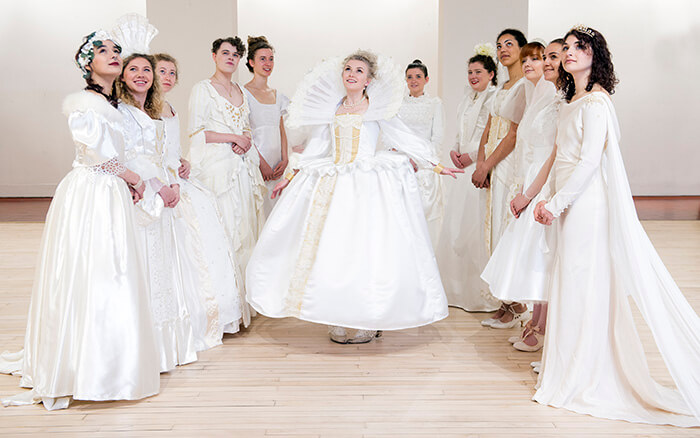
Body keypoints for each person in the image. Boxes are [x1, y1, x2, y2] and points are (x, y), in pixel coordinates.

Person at [532, 26, 700, 426]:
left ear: (596, 56)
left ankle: (582, 373)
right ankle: (571, 366)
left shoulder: (597, 104)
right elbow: (563, 156)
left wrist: (555, 204)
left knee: (581, 283)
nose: (569, 53)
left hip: (586, 206)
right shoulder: (574, 101)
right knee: (572, 283)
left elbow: (590, 163)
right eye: (566, 48)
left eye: (579, 47)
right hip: (569, 202)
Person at [246, 51, 461, 344]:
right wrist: (291, 177)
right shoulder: (332, 110)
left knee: (366, 249)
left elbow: (404, 138)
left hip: (367, 184)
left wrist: (433, 164)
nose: (351, 74)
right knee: (336, 250)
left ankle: (367, 319)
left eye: (359, 70)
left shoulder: (378, 109)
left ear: (368, 80)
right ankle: (338, 314)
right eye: (348, 68)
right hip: (336, 183)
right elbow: (316, 149)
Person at [0, 31, 159, 409]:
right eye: (103, 51)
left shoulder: (113, 104)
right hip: (91, 192)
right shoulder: (85, 104)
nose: (113, 55)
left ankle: (107, 363)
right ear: (88, 63)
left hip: (110, 191)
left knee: (111, 274)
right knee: (91, 271)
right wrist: (135, 179)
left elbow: (119, 153)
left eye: (116, 50)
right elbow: (96, 155)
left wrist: (130, 180)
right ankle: (82, 365)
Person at [155, 52, 250, 345]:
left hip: (176, 173)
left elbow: (168, 146)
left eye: (172, 73)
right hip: (159, 179)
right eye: (162, 72)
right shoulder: (141, 110)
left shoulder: (169, 107)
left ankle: (211, 309)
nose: (168, 78)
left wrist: (180, 160)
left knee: (209, 230)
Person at [116, 41, 198, 372]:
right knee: (141, 262)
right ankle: (139, 341)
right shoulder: (120, 112)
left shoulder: (152, 113)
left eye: (146, 69)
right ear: (122, 75)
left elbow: (162, 153)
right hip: (142, 194)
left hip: (162, 189)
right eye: (133, 69)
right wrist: (158, 187)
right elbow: (129, 157)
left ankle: (164, 343)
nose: (141, 74)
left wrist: (174, 181)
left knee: (161, 264)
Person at [481, 40, 562, 353]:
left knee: (540, 252)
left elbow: (553, 149)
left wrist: (532, 192)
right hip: (529, 174)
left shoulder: (555, 95)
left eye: (537, 59)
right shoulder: (534, 93)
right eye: (525, 59)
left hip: (545, 179)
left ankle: (541, 326)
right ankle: (535, 322)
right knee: (530, 252)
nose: (529, 64)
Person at [188, 37, 265, 277]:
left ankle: (245, 293)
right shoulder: (203, 89)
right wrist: (233, 139)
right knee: (225, 225)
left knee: (246, 226)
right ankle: (225, 291)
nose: (230, 58)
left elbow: (246, 127)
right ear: (214, 56)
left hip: (243, 166)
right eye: (225, 53)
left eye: (235, 55)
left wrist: (244, 139)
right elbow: (196, 133)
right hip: (217, 168)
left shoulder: (240, 90)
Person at [435, 44, 500, 312]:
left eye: (479, 72)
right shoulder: (467, 97)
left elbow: (490, 133)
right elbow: (462, 130)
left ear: (492, 74)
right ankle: (456, 289)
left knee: (474, 228)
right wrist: (454, 148)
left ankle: (480, 294)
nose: (473, 76)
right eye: (470, 72)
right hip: (462, 167)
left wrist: (472, 156)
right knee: (456, 227)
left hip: (479, 166)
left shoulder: (494, 97)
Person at [473, 29, 529, 329]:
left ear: (522, 48)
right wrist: (481, 162)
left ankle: (518, 302)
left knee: (504, 230)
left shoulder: (525, 86)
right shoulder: (500, 88)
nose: (503, 49)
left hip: (508, 163)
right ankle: (506, 303)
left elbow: (513, 134)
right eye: (499, 45)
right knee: (491, 228)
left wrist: (490, 164)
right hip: (492, 163)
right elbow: (489, 126)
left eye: (510, 44)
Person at [397, 59, 444, 245]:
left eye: (418, 76)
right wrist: (404, 160)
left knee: (425, 222)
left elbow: (437, 140)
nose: (413, 80)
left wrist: (420, 161)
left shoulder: (434, 104)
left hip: (425, 168)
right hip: (402, 165)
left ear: (426, 79)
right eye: (409, 77)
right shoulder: (398, 104)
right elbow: (391, 138)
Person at [243, 36, 290, 217]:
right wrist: (260, 163)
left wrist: (285, 159)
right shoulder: (243, 94)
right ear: (251, 62)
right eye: (262, 59)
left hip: (277, 164)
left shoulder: (278, 96)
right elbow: (245, 132)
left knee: (275, 212)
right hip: (256, 162)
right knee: (258, 212)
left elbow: (281, 130)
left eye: (271, 59)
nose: (268, 63)